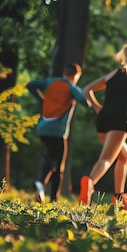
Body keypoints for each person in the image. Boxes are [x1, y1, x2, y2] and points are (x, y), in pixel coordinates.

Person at [78, 44, 127, 208]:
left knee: (124, 155)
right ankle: (90, 183)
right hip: (119, 120)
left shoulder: (112, 75)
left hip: (103, 118)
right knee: (106, 158)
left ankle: (119, 197)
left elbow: (87, 89)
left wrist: (98, 108)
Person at [27, 63, 89, 203]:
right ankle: (52, 198)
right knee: (58, 165)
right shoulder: (71, 87)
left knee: (50, 158)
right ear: (76, 76)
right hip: (58, 132)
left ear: (63, 72)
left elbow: (31, 85)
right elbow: (84, 101)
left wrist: (41, 100)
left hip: (42, 129)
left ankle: (40, 184)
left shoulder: (50, 83)